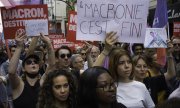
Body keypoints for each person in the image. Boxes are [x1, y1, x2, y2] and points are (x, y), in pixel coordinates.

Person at [93, 31, 155, 108]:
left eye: (129, 62)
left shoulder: (141, 86)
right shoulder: (109, 88)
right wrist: (106, 50)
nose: (127, 66)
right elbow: (91, 73)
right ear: (113, 65)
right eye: (121, 63)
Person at [8, 30, 55, 108]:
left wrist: (49, 44)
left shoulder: (43, 82)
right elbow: (11, 72)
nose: (33, 63)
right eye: (29, 62)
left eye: (36, 62)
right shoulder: (18, 85)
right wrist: (19, 47)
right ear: (23, 68)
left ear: (39, 66)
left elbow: (52, 66)